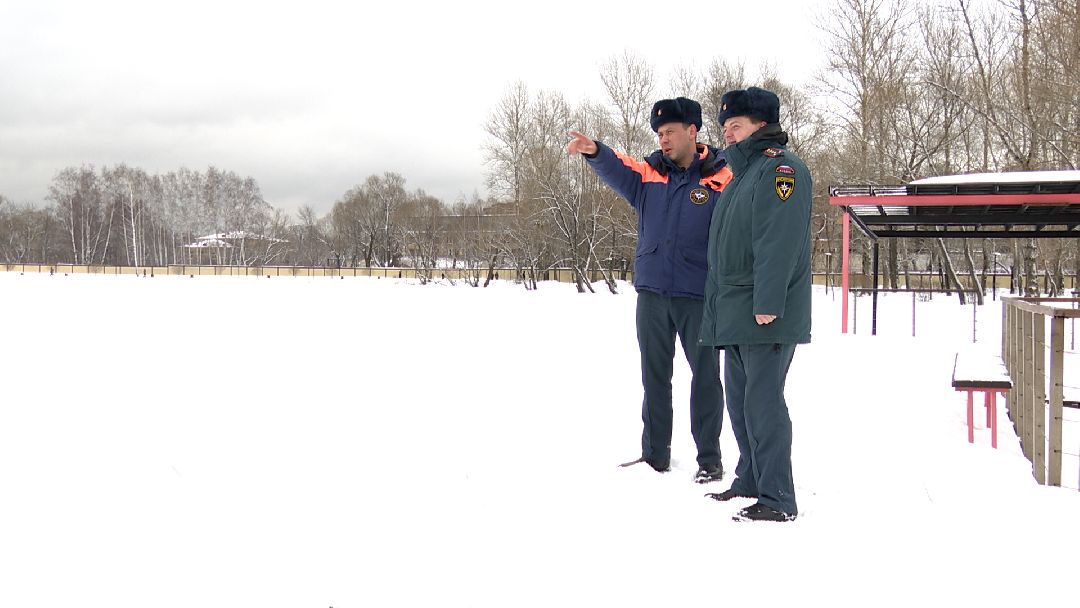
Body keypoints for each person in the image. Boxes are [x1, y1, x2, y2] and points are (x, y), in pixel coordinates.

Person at [566, 97, 732, 483]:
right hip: (653, 295)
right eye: (659, 134)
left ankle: (709, 458)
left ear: (693, 131)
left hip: (699, 296)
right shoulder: (648, 176)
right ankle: (655, 453)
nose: (664, 140)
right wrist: (594, 150)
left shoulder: (722, 176)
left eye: (670, 132)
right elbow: (617, 166)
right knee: (654, 376)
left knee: (706, 378)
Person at [698, 87, 812, 522]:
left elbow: (777, 241)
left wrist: (768, 300)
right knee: (741, 401)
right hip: (736, 311)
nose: (728, 132)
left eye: (737, 125)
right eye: (725, 126)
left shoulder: (781, 170)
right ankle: (750, 479)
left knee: (763, 404)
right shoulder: (740, 177)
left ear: (761, 126)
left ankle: (778, 498)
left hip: (764, 312)